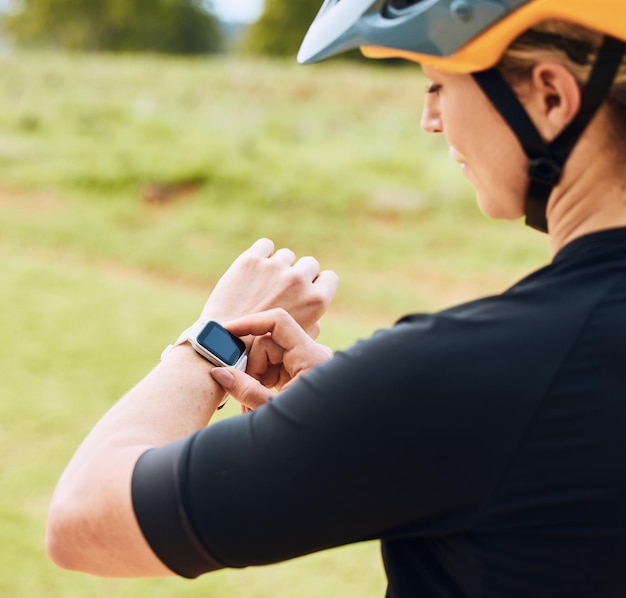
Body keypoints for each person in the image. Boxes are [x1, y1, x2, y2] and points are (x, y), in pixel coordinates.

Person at [46, 1, 626, 596]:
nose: (431, 120)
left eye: (438, 84)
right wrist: (364, 404)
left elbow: (84, 517)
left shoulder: (467, 378)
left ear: (550, 96)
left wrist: (208, 344)